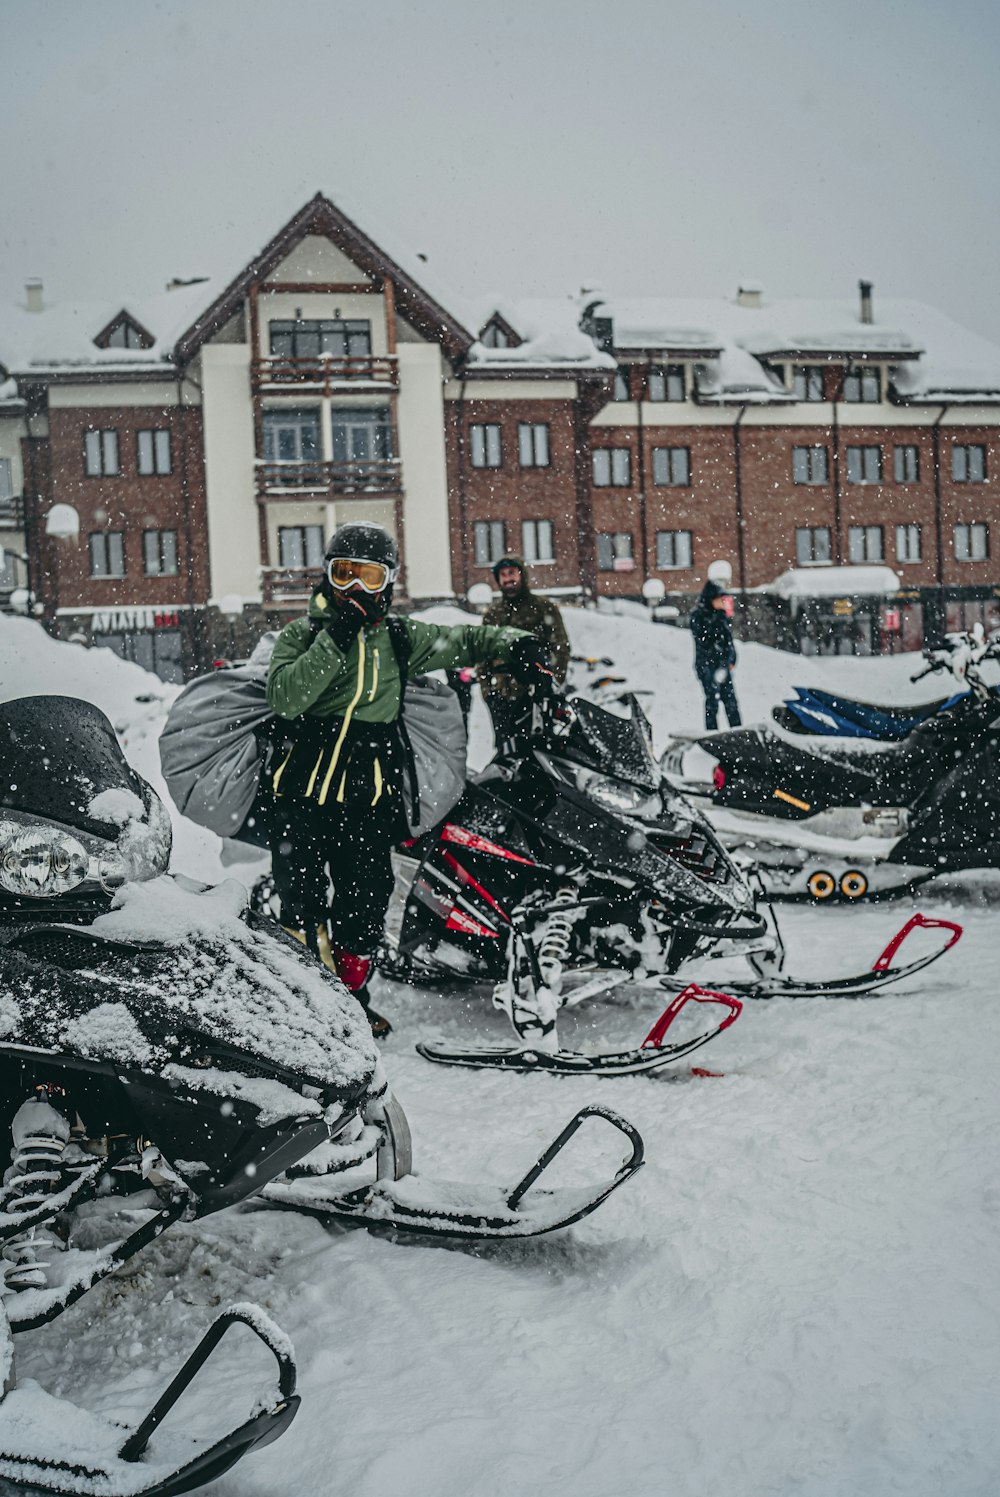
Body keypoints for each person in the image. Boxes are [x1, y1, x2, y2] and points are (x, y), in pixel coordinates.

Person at [265, 522, 551, 1036]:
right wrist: (336, 637)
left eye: (368, 577)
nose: (354, 588)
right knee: (301, 905)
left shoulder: (396, 639)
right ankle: (302, 1007)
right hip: (300, 795)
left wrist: (519, 643)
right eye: (344, 574)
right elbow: (287, 697)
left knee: (366, 904)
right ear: (327, 577)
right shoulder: (302, 635)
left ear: (388, 583)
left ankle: (349, 1001)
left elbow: (462, 639)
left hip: (367, 797)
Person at [477, 554, 571, 744]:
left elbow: (560, 649)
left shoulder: (543, 609)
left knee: (537, 751)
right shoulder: (493, 615)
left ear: (522, 575)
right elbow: (482, 655)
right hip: (501, 696)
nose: (508, 579)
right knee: (506, 752)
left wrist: (549, 686)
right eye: (502, 575)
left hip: (534, 696)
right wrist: (488, 692)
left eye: (512, 573)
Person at [690, 579, 742, 730]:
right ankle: (712, 736)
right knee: (712, 701)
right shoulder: (699, 616)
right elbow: (704, 642)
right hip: (707, 666)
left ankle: (738, 733)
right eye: (719, 599)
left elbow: (729, 641)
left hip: (723, 666)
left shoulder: (721, 616)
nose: (722, 602)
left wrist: (731, 659)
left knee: (731, 702)